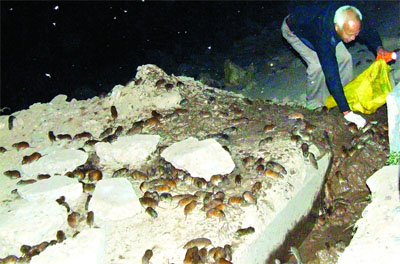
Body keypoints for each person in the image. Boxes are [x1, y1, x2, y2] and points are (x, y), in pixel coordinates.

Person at [281, 2, 393, 129]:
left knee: (345, 58)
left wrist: (379, 47)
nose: (353, 39)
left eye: (356, 34)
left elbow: (369, 31)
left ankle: (347, 94)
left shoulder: (353, 15)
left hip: (319, 23)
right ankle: (314, 105)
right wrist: (347, 112)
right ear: (337, 28)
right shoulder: (322, 33)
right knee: (317, 66)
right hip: (295, 30)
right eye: (350, 35)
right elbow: (331, 74)